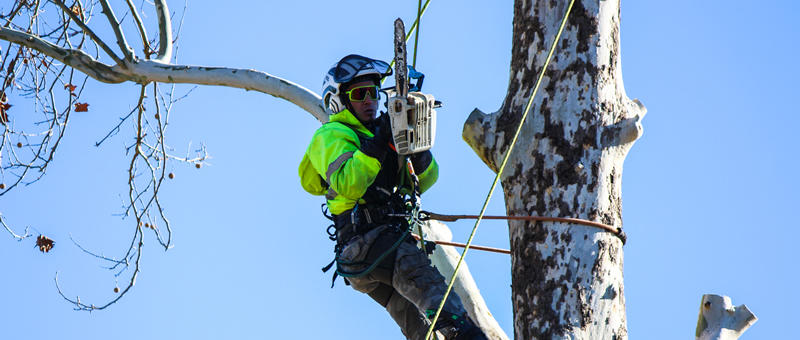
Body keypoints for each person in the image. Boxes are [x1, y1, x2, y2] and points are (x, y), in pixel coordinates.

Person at [299, 54, 488, 340]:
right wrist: (380, 141)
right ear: (339, 100)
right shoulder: (332, 134)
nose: (370, 101)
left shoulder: (381, 136)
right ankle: (465, 335)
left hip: (380, 250)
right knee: (424, 277)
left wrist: (415, 147)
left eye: (374, 93)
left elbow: (425, 181)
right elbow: (348, 182)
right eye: (359, 94)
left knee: (417, 326)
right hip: (365, 244)